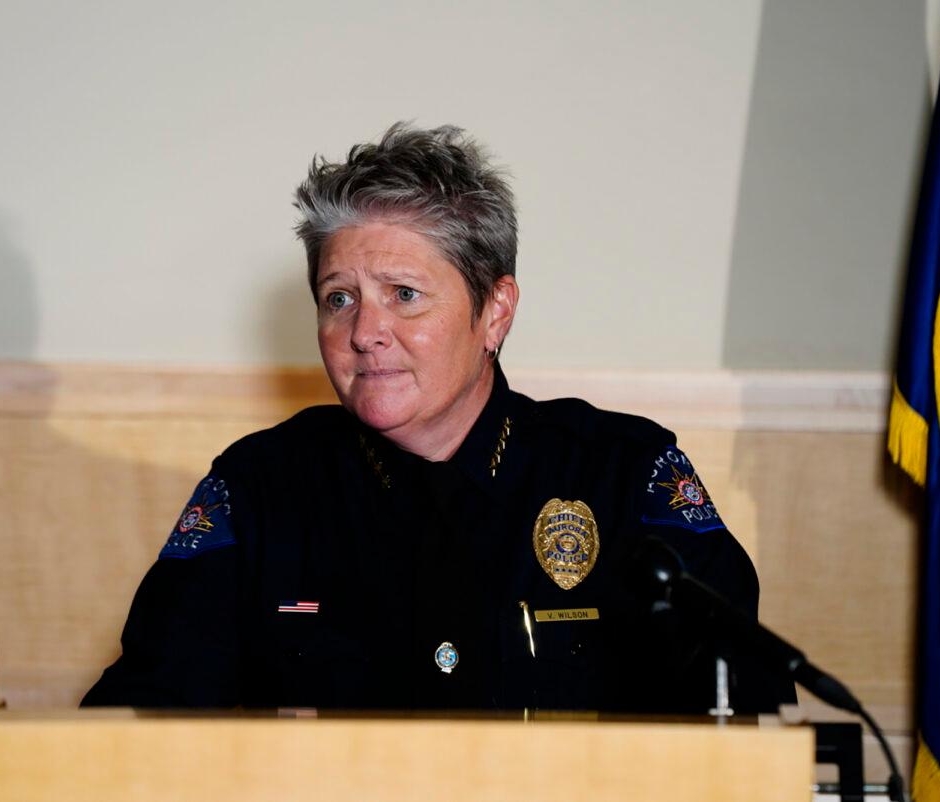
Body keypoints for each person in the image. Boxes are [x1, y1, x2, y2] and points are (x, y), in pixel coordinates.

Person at [82, 123, 794, 712]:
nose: (365, 331)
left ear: (495, 311)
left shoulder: (622, 476)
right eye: (339, 298)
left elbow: (737, 718)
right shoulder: (260, 489)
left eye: (404, 294)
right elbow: (141, 719)